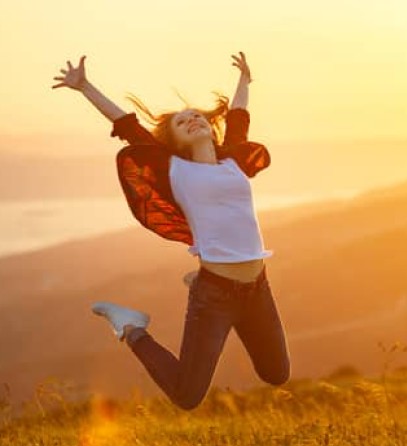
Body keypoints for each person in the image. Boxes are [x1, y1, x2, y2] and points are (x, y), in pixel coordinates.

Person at [52, 53, 290, 410]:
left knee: (276, 374)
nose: (192, 119)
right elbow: (127, 125)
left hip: (258, 287)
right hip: (217, 296)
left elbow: (238, 116)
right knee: (187, 394)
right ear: (175, 142)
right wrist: (85, 86)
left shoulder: (233, 160)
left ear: (210, 126)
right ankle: (131, 327)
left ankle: (196, 278)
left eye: (196, 116)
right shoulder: (173, 168)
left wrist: (245, 81)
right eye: (182, 122)